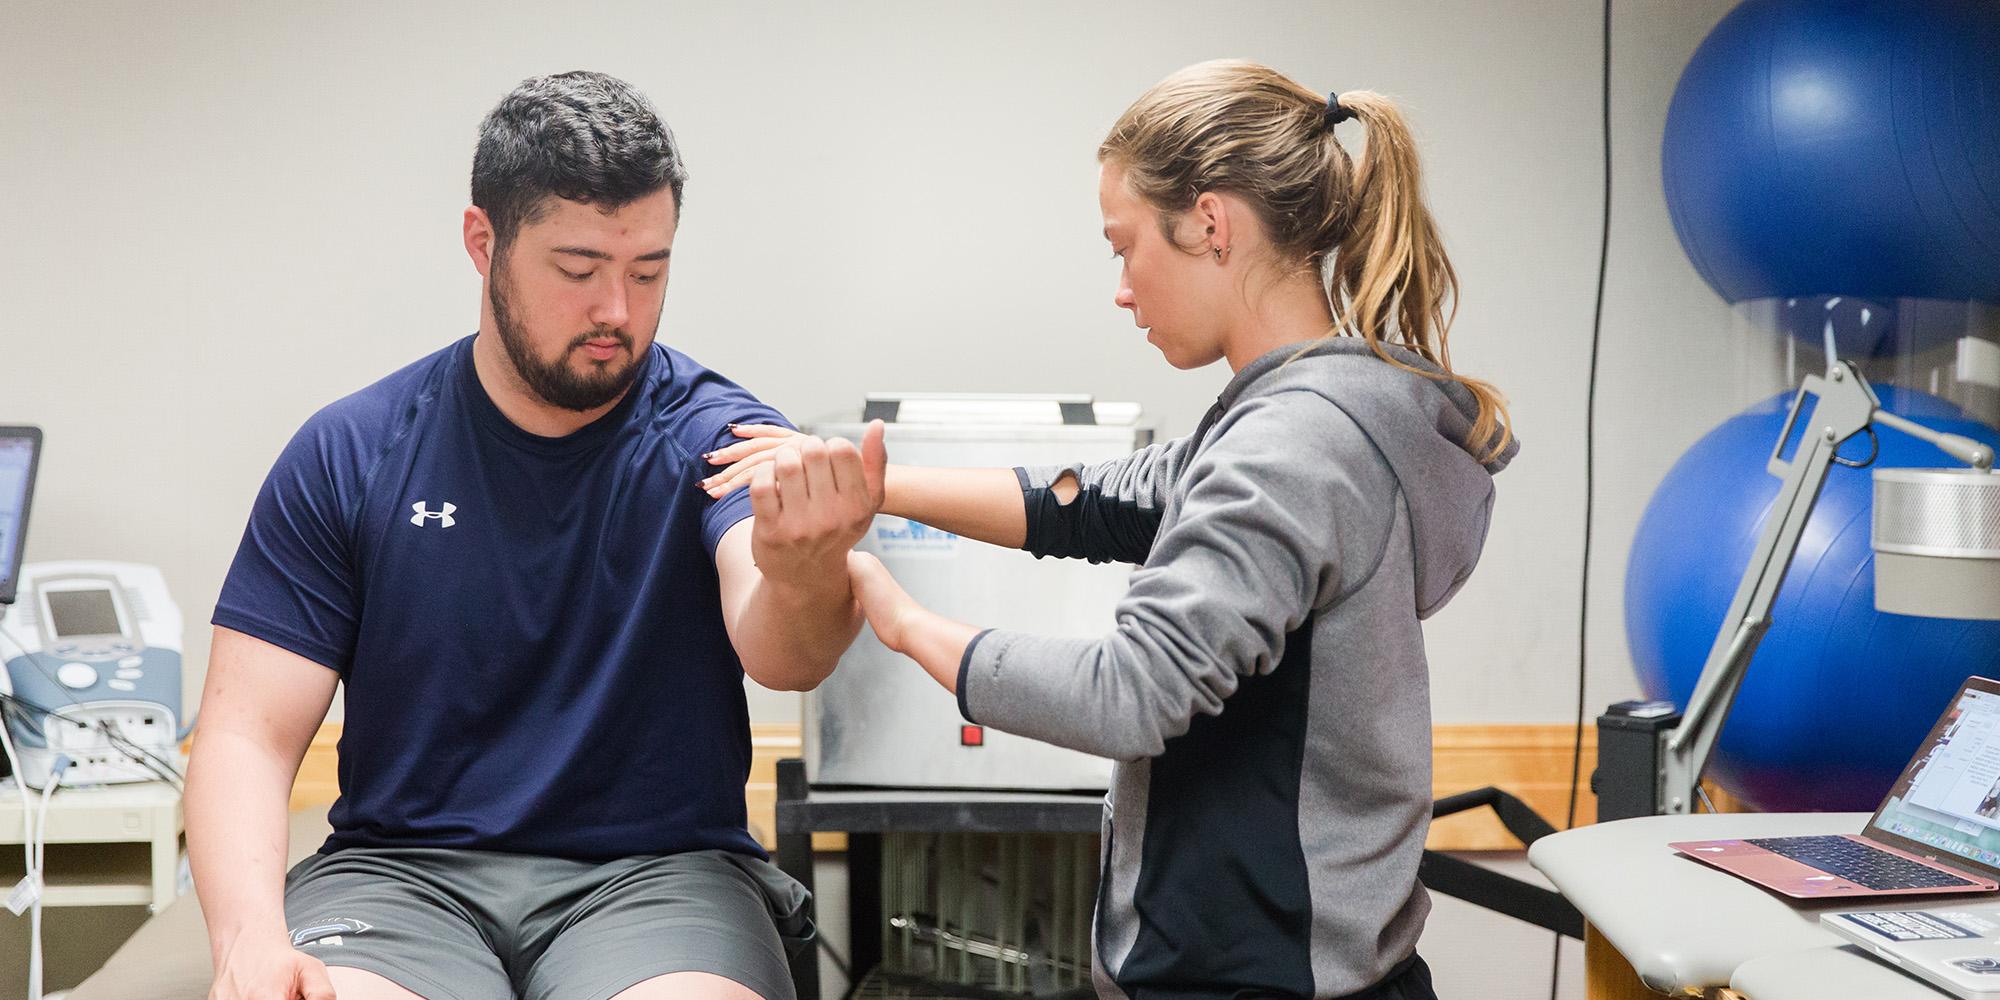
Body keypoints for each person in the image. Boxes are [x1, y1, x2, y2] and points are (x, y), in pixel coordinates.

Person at [707, 60, 1517, 999]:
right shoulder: (1325, 412)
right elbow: (1100, 498)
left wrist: (901, 621)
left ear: (1210, 224)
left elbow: (1129, 692)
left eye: (1125, 246)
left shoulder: (1294, 445)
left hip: (1258, 977)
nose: (1123, 289)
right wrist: (872, 483)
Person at [186, 71, 882, 1000]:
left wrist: (803, 574)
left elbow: (784, 653)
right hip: (403, 879)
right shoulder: (353, 450)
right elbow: (245, 736)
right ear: (485, 243)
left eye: (649, 271)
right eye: (579, 270)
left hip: (657, 877)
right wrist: (247, 943)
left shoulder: (719, 437)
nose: (618, 313)